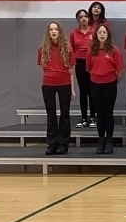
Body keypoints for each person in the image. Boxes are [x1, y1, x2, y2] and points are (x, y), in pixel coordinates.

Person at [37, 21, 75, 155]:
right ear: (48, 32)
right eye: (51, 29)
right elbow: (43, 66)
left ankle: (63, 144)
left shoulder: (67, 48)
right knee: (51, 115)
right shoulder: (42, 48)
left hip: (64, 83)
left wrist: (72, 89)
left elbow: (71, 69)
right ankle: (52, 143)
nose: (53, 31)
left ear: (60, 32)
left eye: (56, 29)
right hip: (48, 84)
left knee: (65, 115)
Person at [88, 24, 124, 154]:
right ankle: (101, 141)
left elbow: (120, 70)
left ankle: (109, 141)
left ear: (107, 35)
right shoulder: (91, 50)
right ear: (96, 35)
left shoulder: (114, 50)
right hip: (95, 85)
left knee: (108, 113)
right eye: (99, 32)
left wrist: (113, 82)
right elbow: (89, 69)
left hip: (110, 85)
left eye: (104, 32)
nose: (102, 34)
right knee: (99, 114)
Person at [69, 9, 95, 128]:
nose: (84, 18)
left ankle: (93, 118)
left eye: (85, 16)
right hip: (79, 63)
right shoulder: (74, 33)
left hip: (93, 63)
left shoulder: (94, 31)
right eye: (81, 17)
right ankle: (84, 118)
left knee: (93, 91)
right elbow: (71, 49)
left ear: (89, 18)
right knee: (83, 92)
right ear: (78, 19)